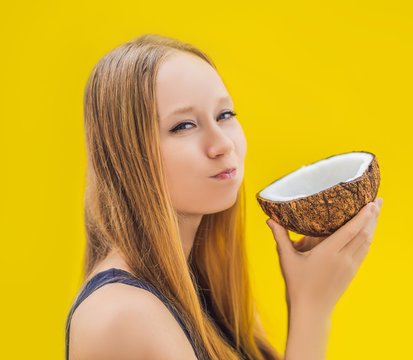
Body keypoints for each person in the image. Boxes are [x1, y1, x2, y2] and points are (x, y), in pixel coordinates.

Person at [65, 33, 383, 360]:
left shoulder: (204, 295)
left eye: (225, 115)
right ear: (126, 155)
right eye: (184, 125)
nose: (222, 145)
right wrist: (312, 308)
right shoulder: (122, 317)